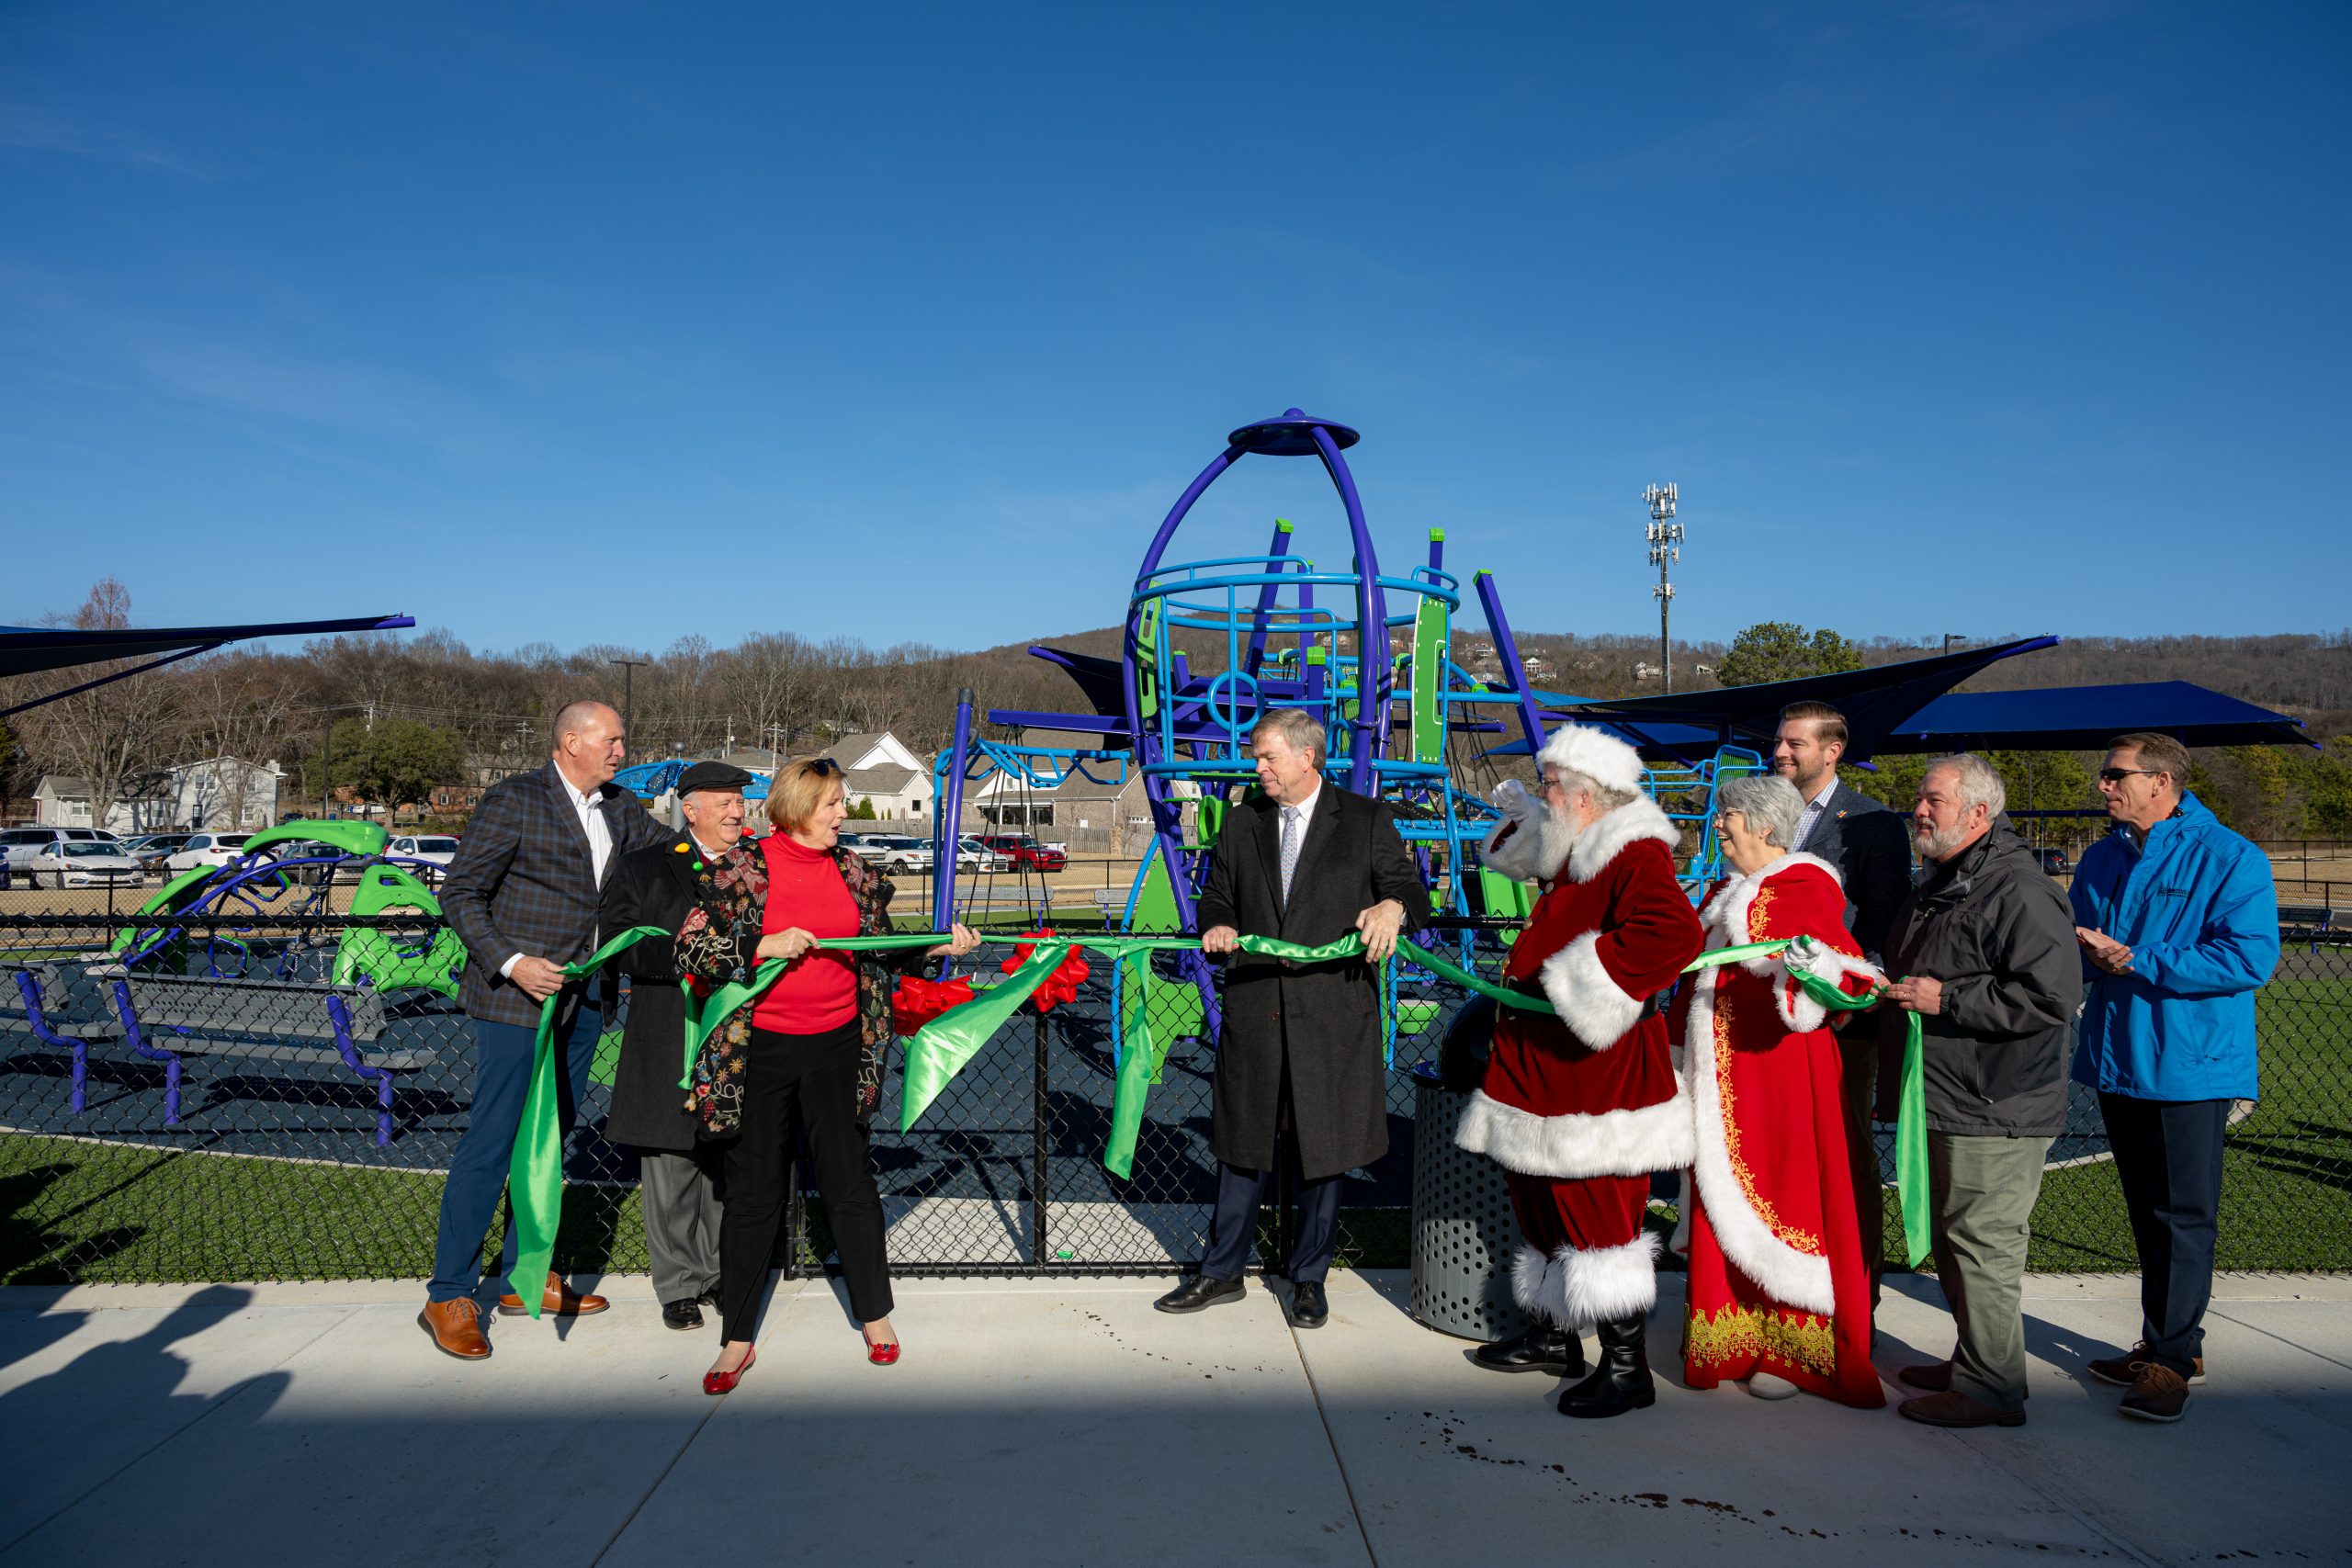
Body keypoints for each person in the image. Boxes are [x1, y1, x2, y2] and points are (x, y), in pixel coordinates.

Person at [678, 758, 978, 1393]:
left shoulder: (856, 873)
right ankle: (737, 1336)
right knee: (754, 1193)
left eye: (842, 802)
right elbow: (690, 948)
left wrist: (938, 948)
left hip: (840, 1048)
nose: (845, 812)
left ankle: (876, 1315)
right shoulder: (743, 868)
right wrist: (763, 944)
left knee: (849, 1184)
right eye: (834, 804)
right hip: (759, 1052)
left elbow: (883, 950)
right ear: (798, 805)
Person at [1456, 724, 1704, 1419]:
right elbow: (1517, 857)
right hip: (1545, 1069)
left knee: (1596, 1210)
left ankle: (1627, 1368)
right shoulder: (1581, 846)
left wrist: (1576, 986)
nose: (1545, 794)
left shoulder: (1633, 851)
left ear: (1589, 796)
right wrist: (1522, 818)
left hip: (1595, 1074)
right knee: (1540, 1201)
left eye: (1553, 786)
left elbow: (1672, 934)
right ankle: (1554, 1335)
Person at [1153, 708, 1421, 1329]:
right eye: (1257, 756)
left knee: (1322, 1153)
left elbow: (1412, 891)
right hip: (1255, 1012)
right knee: (1241, 1147)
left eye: (1268, 756)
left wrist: (1390, 906)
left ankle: (1308, 1278)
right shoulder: (1243, 821)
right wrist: (1216, 920)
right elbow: (1216, 892)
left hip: (1332, 1018)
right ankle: (1221, 1272)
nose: (1258, 767)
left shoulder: (1364, 819)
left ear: (1307, 757)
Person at [420, 699, 671, 1359]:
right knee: (495, 1140)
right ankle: (449, 1291)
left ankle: (521, 1274)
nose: (622, 750)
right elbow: (460, 893)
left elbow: (673, 856)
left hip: (586, 999)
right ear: (571, 741)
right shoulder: (516, 800)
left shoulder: (619, 807)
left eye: (623, 739)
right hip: (515, 1002)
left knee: (548, 1143)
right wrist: (511, 961)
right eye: (612, 739)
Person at [2070, 731, 2278, 1423]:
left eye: (2114, 774)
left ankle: (2172, 1357)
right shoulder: (2100, 856)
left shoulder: (2230, 857)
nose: (2104, 785)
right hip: (2117, 1059)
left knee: (2185, 1216)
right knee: (2146, 1211)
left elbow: (2248, 958)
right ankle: (2166, 1341)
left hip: (2188, 1066)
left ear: (2161, 781)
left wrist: (2137, 959)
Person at [1881, 754, 2082, 1428]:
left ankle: (1991, 1386)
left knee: (1983, 1242)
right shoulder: (1947, 881)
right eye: (1920, 796)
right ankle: (1978, 1358)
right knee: (1955, 1236)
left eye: (1934, 799)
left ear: (1978, 813)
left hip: (1995, 1103)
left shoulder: (2018, 889)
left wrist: (1948, 998)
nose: (1920, 808)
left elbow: (2052, 995)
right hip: (1944, 1093)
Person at [1675, 773, 1884, 1408]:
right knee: (1721, 1192)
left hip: (1779, 1080)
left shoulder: (1806, 888)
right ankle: (1732, 1336)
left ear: (1764, 826)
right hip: (1722, 1077)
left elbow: (1851, 980)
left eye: (1728, 816)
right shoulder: (1723, 892)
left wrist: (1809, 968)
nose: (1719, 825)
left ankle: (1790, 1349)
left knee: (1784, 1199)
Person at [600, 761, 757, 1332]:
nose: (738, 812)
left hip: (739, 1032)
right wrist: (695, 959)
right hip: (668, 1028)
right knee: (670, 1163)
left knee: (725, 1159)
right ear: (690, 809)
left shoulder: (757, 866)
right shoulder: (645, 868)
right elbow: (619, 944)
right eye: (725, 803)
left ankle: (720, 1273)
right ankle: (679, 1285)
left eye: (740, 802)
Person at [1773, 700, 1913, 1303]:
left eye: (1794, 743)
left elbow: (1883, 921)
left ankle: (1858, 1292)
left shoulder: (1874, 822)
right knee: (1781, 1151)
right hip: (1773, 1013)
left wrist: (1856, 992)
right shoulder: (1768, 815)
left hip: (1841, 1019)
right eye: (1779, 741)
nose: (1780, 751)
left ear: (1832, 751)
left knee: (1845, 1152)